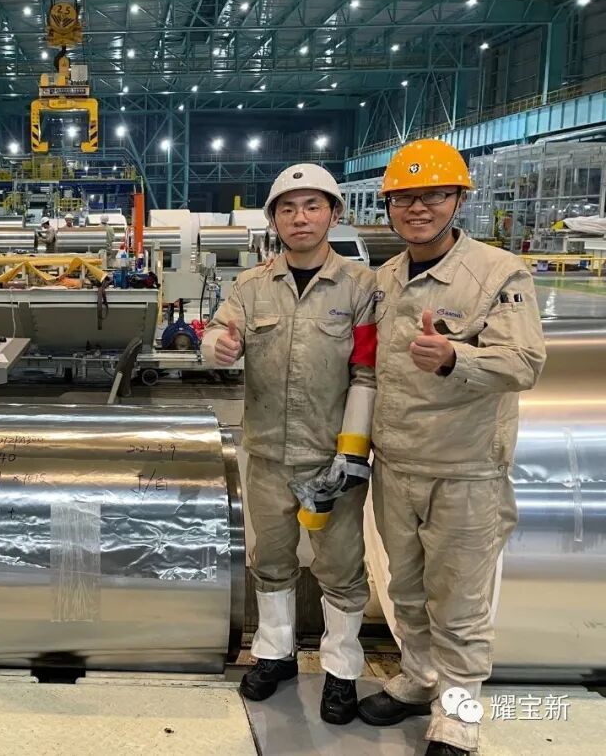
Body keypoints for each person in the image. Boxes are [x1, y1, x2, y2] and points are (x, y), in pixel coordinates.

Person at [356, 139, 547, 756]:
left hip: (465, 470)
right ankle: (418, 678)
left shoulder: (498, 273)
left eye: (433, 195)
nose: (418, 209)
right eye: (405, 198)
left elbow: (524, 363)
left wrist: (454, 358)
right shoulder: (385, 278)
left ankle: (459, 713)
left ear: (458, 200)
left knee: (459, 601)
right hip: (396, 464)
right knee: (406, 589)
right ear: (389, 206)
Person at [202, 164, 377, 725]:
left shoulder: (360, 286)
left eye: (312, 206)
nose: (300, 218)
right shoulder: (252, 286)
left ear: (334, 213)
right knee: (271, 560)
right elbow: (218, 332)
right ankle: (274, 653)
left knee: (340, 566)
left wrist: (352, 451)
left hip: (331, 456)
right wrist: (216, 348)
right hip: (267, 455)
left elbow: (367, 372)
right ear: (274, 219)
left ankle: (342, 670)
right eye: (287, 208)